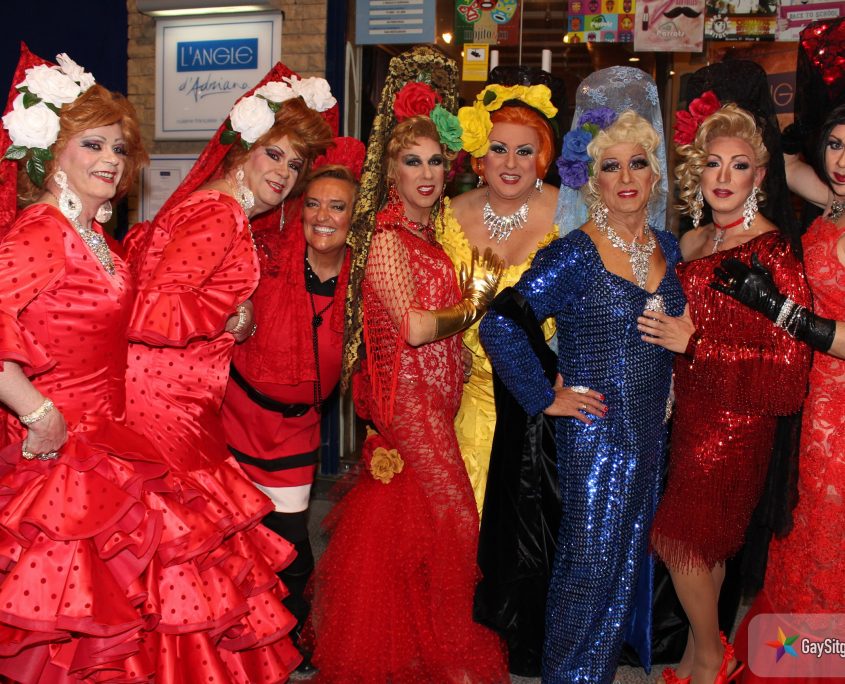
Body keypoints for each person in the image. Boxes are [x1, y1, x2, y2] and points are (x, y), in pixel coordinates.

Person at [0, 46, 278, 682]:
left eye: (119, 148)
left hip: (114, 443)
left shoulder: (92, 235)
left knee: (131, 614)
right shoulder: (41, 230)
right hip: (65, 461)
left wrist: (227, 313)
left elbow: (143, 316)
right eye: (92, 145)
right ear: (50, 155)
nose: (111, 159)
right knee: (75, 632)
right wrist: (36, 413)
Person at [123, 62, 334, 678]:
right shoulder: (218, 213)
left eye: (295, 164)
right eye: (274, 154)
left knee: (177, 549)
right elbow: (152, 309)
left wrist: (229, 316)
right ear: (243, 147)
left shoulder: (222, 209)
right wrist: (232, 316)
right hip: (165, 403)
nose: (284, 173)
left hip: (180, 398)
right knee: (183, 545)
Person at [308, 46, 509, 682]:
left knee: (412, 530)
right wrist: (474, 304)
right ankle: (452, 653)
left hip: (437, 403)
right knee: (457, 523)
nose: (426, 173)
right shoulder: (388, 238)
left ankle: (410, 648)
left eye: (435, 160)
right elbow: (416, 328)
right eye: (412, 161)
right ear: (391, 172)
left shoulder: (430, 233)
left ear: (450, 168)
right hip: (410, 403)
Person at [481, 109, 685, 683]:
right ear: (594, 181)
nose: (626, 177)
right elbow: (500, 324)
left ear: (654, 175)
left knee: (626, 566)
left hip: (653, 432)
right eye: (611, 166)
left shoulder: (669, 247)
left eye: (637, 163)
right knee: (588, 569)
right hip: (595, 439)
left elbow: (683, 326)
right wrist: (544, 395)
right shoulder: (575, 253)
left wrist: (685, 345)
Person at [638, 99, 811, 684]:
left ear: (758, 177)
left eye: (739, 166)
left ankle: (713, 660)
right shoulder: (690, 244)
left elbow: (789, 369)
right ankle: (697, 655)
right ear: (699, 171)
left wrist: (697, 345)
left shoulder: (773, 252)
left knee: (677, 540)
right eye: (713, 163)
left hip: (739, 421)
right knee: (702, 547)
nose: (724, 177)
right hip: (691, 413)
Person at [220, 143, 363, 673]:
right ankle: (228, 639)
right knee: (227, 535)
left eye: (338, 206)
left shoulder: (365, 279)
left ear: (355, 217)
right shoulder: (266, 254)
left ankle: (294, 636)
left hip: (298, 428)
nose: (323, 216)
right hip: (232, 414)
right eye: (314, 204)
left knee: (289, 540)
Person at [441, 66, 562, 677]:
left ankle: (521, 634)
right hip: (465, 395)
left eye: (524, 150)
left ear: (542, 158)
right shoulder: (447, 214)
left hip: (542, 398)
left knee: (530, 527)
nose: (510, 163)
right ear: (478, 157)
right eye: (498, 149)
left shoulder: (571, 213)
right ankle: (466, 636)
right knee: (463, 520)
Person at [726, 104, 845, 684]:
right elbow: (785, 164)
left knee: (826, 541)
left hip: (839, 417)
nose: (843, 160)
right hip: (814, 398)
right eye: (837, 145)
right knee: (800, 535)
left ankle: (821, 665)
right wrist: (761, 124)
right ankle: (792, 657)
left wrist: (778, 309)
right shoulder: (834, 203)